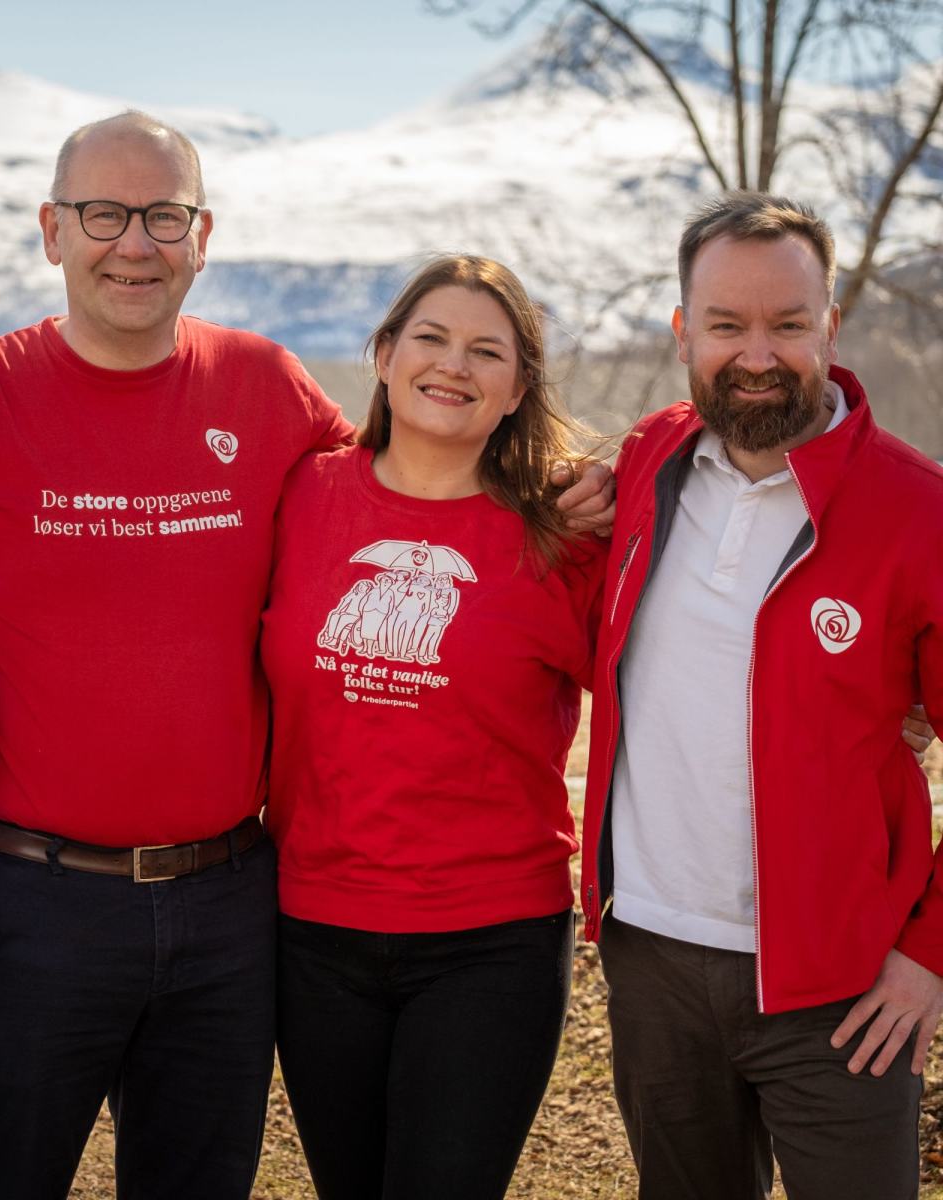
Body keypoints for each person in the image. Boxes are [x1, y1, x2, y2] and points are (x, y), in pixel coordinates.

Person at [0, 114, 616, 1200]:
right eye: (103, 215)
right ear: (52, 229)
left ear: (202, 236)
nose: (134, 244)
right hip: (29, 902)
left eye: (164, 216)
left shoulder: (267, 389)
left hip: (229, 905)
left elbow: (415, 482)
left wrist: (560, 490)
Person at [580, 192, 943, 1200]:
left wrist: (928, 957)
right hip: (651, 956)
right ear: (682, 330)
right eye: (726, 325)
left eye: (788, 325)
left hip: (844, 985)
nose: (757, 355)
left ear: (830, 325)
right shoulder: (650, 462)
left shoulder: (919, 511)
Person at [261, 255, 607, 1199]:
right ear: (382, 354)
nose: (454, 365)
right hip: (312, 927)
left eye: (487, 351)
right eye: (431, 338)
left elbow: (675, 672)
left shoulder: (564, 535)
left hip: (491, 937)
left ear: (517, 388)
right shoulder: (301, 497)